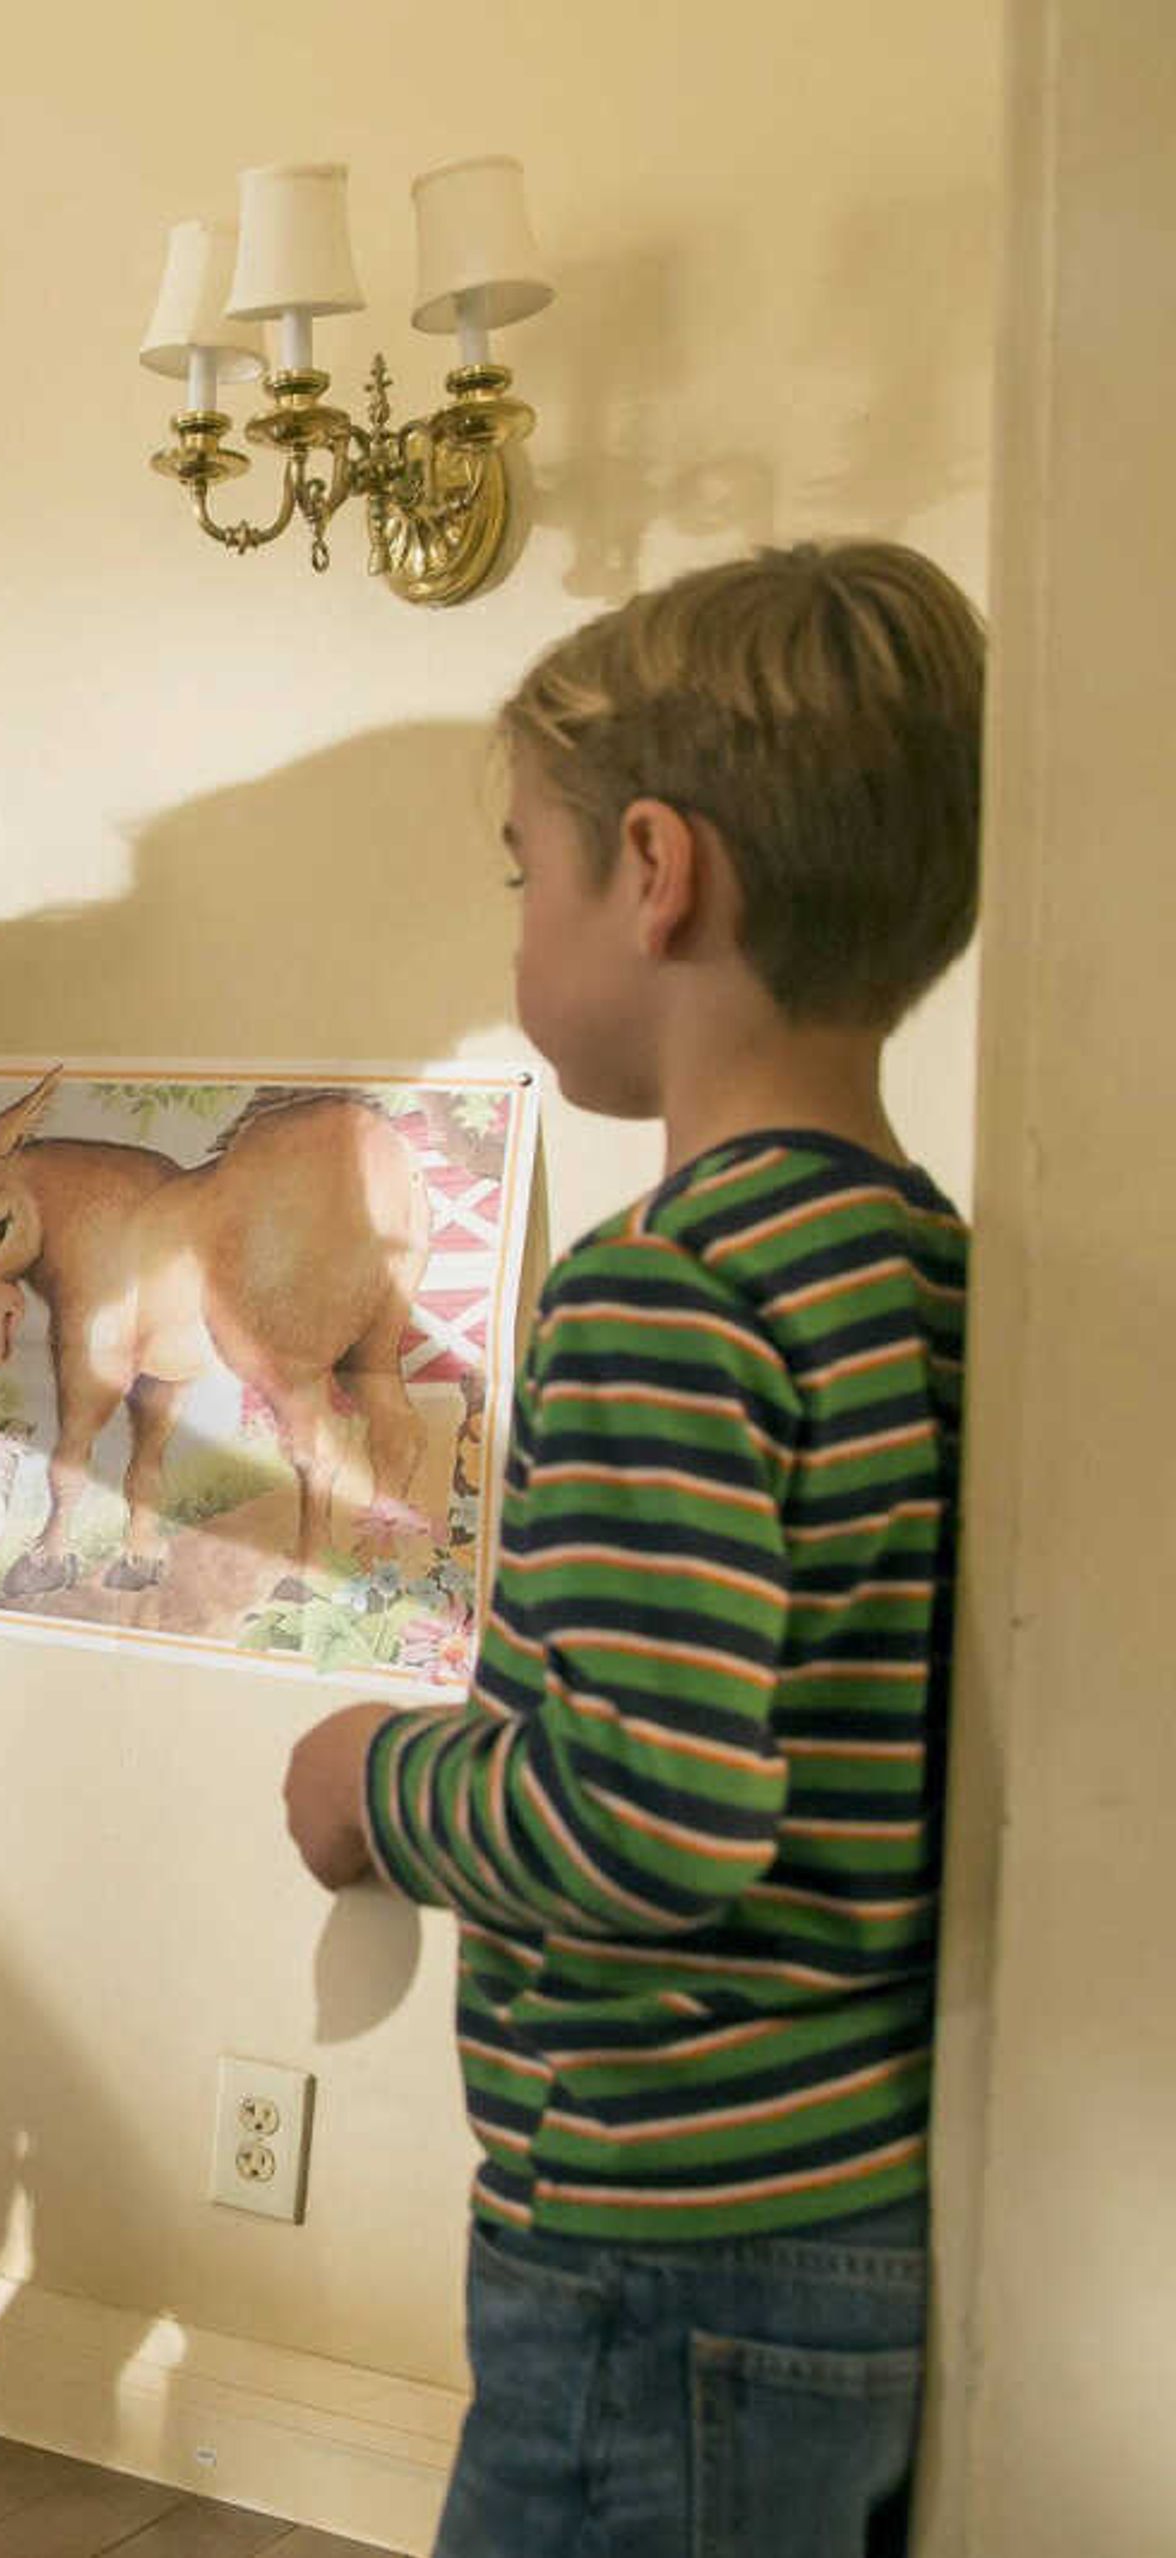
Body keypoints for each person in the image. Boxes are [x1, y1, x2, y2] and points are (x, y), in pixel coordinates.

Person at [280, 540, 983, 2558]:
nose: (519, 921)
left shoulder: (664, 1294)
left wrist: (370, 1789)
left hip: (658, 2247)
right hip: (852, 2203)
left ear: (655, 874)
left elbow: (658, 1815)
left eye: (526, 868)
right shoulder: (924, 1275)